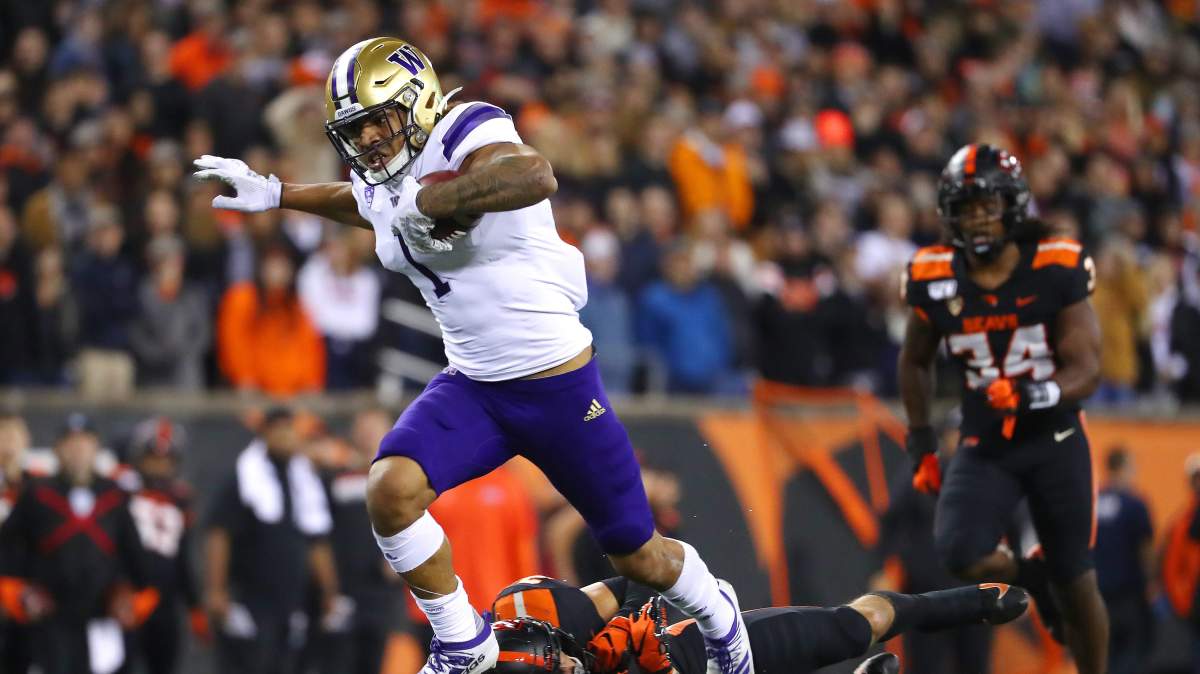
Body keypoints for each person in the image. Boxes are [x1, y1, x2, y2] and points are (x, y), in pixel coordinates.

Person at [193, 37, 756, 674]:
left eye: (379, 119)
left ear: (417, 101)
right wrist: (279, 193)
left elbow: (532, 175)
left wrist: (438, 200)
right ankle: (463, 641)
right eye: (356, 129)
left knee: (639, 555)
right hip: (475, 386)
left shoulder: (465, 128)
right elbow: (369, 205)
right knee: (391, 491)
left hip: (557, 388)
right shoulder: (385, 177)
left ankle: (720, 617)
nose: (369, 139)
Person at [898, 143, 1109, 673]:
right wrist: (921, 441)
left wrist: (1034, 393)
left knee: (1075, 576)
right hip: (987, 439)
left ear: (1012, 206)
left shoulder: (1054, 264)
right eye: (966, 208)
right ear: (949, 214)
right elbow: (915, 360)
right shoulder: (933, 274)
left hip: (1054, 436)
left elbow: (1088, 369)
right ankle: (1033, 576)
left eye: (988, 206)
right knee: (960, 552)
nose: (978, 219)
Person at [486, 574, 1027, 674]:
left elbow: (639, 569)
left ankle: (955, 604)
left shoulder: (547, 615)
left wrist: (634, 624)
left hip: (692, 654)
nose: (568, 670)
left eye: (560, 660)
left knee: (854, 626)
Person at [0, 413, 156, 674]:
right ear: (57, 449)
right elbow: (8, 549)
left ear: (96, 448)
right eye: (70, 444)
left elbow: (135, 557)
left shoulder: (113, 494)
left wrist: (133, 600)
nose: (78, 451)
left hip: (101, 617)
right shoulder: (38, 493)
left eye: (84, 443)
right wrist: (19, 594)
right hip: (48, 620)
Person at [204, 407, 339, 674]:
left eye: (290, 429)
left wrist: (329, 591)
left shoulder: (303, 480)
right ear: (264, 433)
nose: (286, 436)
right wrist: (216, 589)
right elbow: (219, 534)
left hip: (294, 598)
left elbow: (316, 539)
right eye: (278, 429)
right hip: (251, 596)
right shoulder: (244, 477)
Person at [873, 408, 992, 674]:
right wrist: (882, 567)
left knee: (975, 664)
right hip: (928, 593)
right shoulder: (924, 471)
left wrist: (1021, 581)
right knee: (926, 665)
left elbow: (1012, 527)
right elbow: (891, 518)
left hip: (976, 591)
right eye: (959, 434)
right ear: (946, 436)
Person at [123, 417, 205, 674]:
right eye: (153, 460)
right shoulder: (122, 497)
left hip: (166, 605)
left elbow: (182, 558)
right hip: (128, 602)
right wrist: (123, 591)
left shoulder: (181, 501)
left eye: (166, 462)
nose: (159, 468)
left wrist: (194, 606)